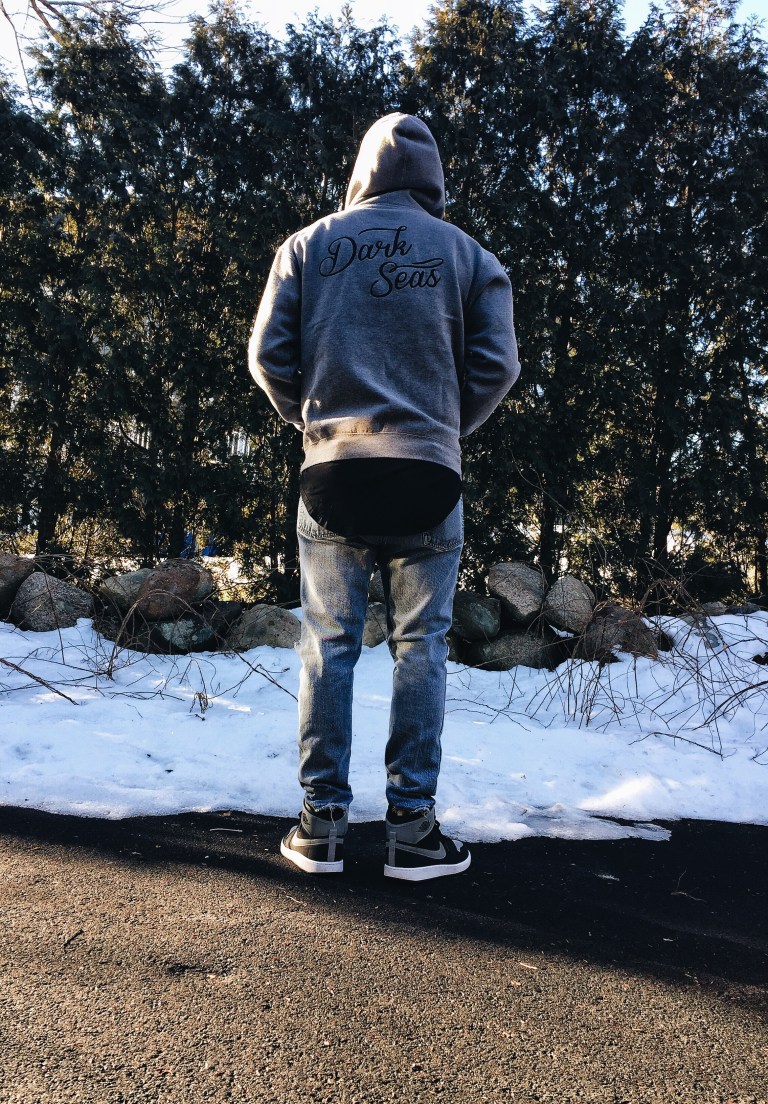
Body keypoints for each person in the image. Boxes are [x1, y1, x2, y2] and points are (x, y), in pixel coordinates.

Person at [249, 113, 520, 881]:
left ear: (362, 170)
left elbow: (267, 356)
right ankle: (412, 830)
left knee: (328, 644)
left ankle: (321, 827)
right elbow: (498, 365)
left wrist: (315, 424)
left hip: (334, 473)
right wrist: (443, 430)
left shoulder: (308, 247)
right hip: (427, 476)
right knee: (421, 648)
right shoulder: (470, 256)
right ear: (432, 177)